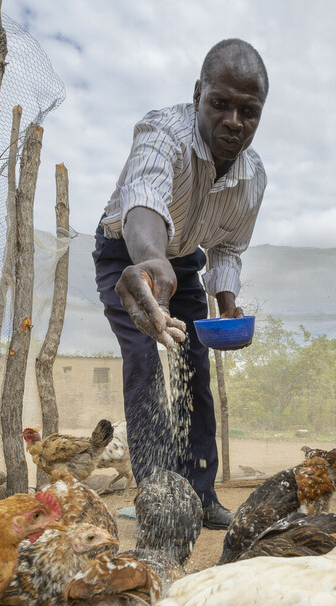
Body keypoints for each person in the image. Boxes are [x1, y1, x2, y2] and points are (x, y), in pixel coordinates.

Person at [93, 39, 268, 530]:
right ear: (198, 95)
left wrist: (227, 305)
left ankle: (201, 494)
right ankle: (157, 499)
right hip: (125, 257)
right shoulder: (162, 133)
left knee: (195, 366)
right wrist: (149, 260)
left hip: (184, 262)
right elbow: (144, 197)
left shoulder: (253, 179)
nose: (234, 121)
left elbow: (229, 247)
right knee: (145, 361)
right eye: (221, 104)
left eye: (249, 111)